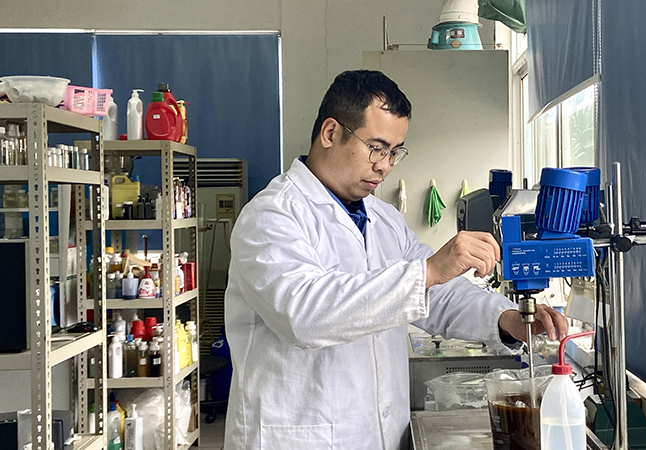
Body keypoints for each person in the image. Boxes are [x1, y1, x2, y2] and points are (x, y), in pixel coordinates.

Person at [224, 70, 569, 449]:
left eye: (394, 152)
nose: (385, 166)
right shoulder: (272, 215)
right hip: (299, 436)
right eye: (376, 148)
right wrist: (428, 270)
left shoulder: (383, 218)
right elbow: (302, 316)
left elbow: (436, 294)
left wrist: (506, 320)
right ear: (330, 133)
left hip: (375, 435)